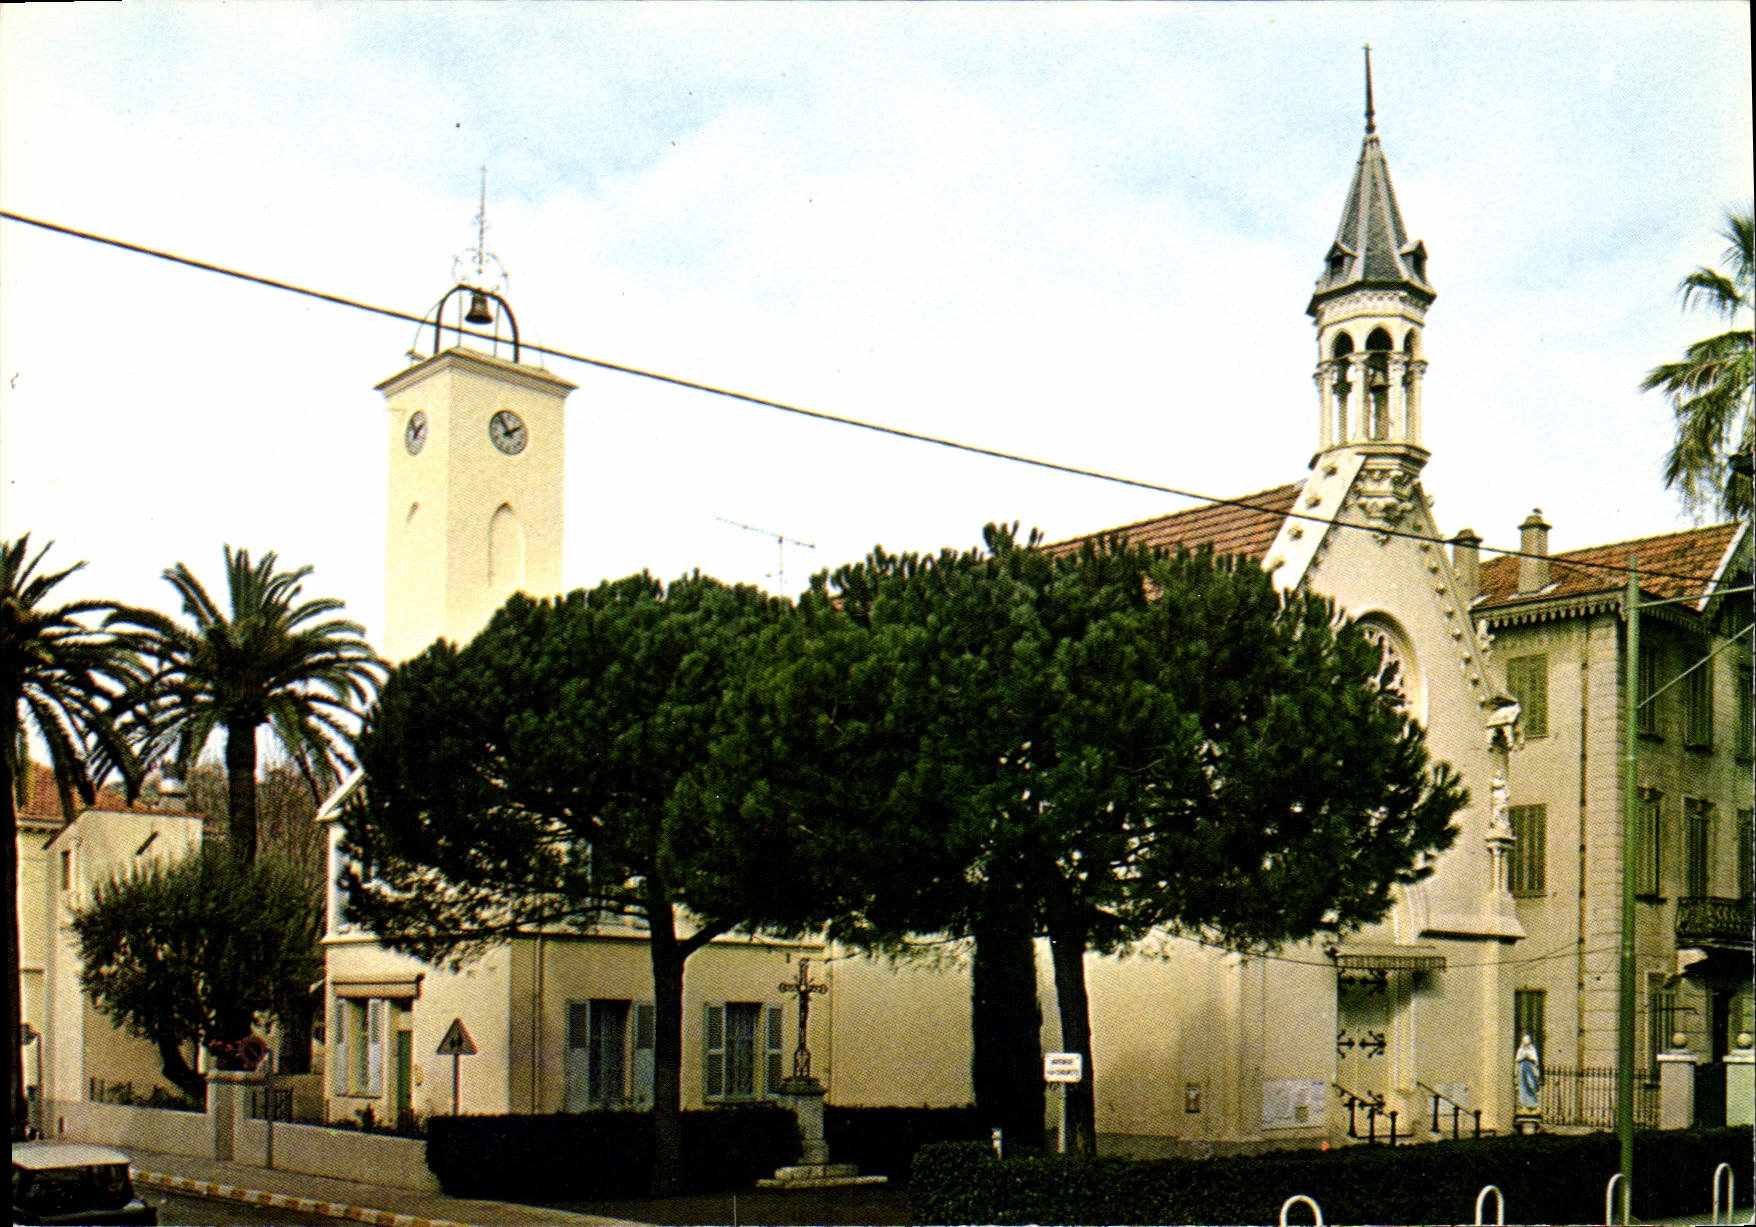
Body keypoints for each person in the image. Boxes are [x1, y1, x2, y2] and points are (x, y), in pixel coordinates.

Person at [1515, 1033, 1542, 1113]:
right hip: (1523, 1069)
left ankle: (1532, 1104)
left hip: (1530, 1068)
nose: (1526, 1045)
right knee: (1523, 1085)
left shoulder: (1532, 1049)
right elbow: (1518, 1059)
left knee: (1531, 1084)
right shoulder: (1521, 1049)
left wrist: (1530, 1057)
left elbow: (1535, 1060)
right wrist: (1523, 1057)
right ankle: (1524, 1104)